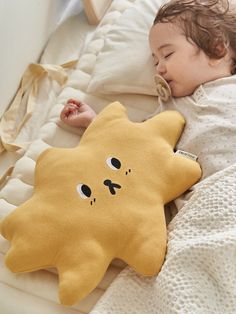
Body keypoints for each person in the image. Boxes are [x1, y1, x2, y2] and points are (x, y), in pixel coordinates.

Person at [60, 0, 236, 184]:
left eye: (167, 54)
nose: (159, 68)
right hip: (210, 194)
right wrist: (92, 121)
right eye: (155, 61)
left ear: (217, 50)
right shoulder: (171, 109)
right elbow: (134, 141)